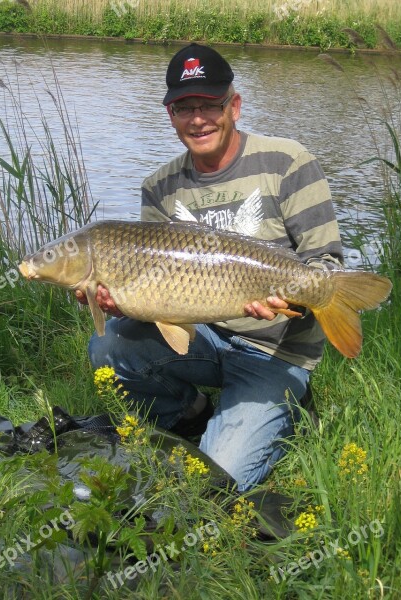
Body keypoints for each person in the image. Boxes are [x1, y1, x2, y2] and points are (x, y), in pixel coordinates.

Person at [79, 43, 344, 492]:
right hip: (205, 335)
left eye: (209, 104)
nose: (198, 118)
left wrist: (291, 303)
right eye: (185, 107)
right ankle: (190, 413)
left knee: (217, 482)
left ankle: (289, 410)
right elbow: (154, 285)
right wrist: (120, 302)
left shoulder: (288, 162)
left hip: (273, 350)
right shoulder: (159, 187)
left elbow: (326, 262)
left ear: (234, 106)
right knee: (108, 349)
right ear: (171, 116)